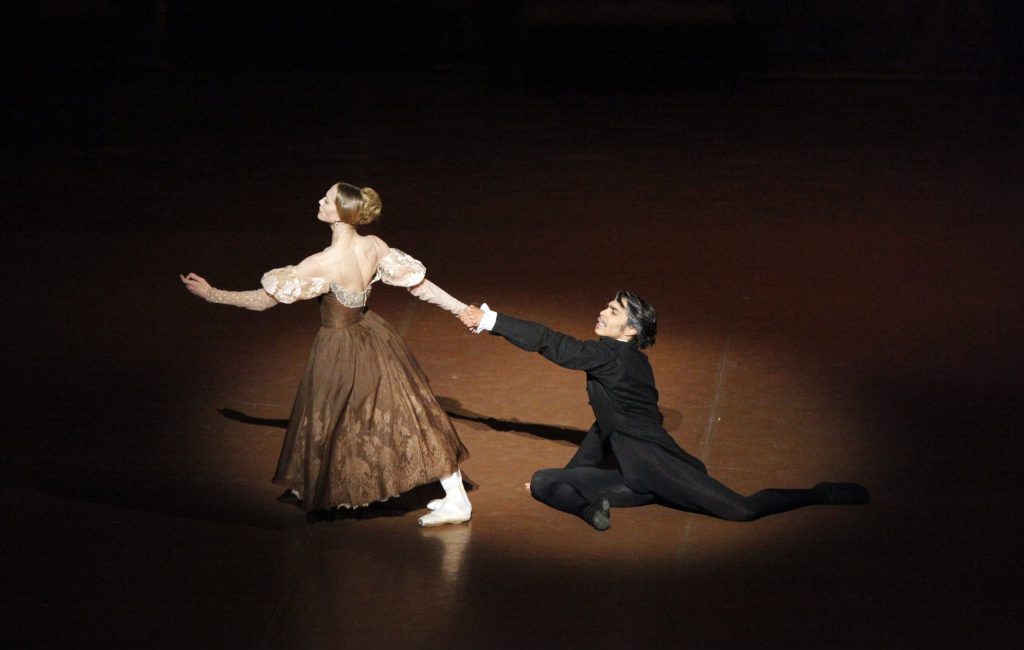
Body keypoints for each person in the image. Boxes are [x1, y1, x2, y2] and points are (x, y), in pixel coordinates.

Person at [181, 182, 471, 526]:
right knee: (407, 411)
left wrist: (213, 294)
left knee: (331, 418)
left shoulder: (322, 263)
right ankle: (454, 496)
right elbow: (420, 286)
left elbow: (263, 300)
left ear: (341, 213)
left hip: (340, 345)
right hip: (374, 336)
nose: (319, 201)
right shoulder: (374, 246)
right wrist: (460, 308)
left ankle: (347, 493)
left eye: (327, 199)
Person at [458, 292, 868, 531]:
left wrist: (491, 320)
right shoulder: (624, 360)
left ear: (630, 331)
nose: (602, 313)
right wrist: (569, 476)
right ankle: (590, 511)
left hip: (658, 469)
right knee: (545, 481)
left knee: (742, 510)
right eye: (607, 307)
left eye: (613, 313)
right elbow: (604, 427)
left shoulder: (612, 357)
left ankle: (821, 492)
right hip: (632, 477)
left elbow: (555, 343)